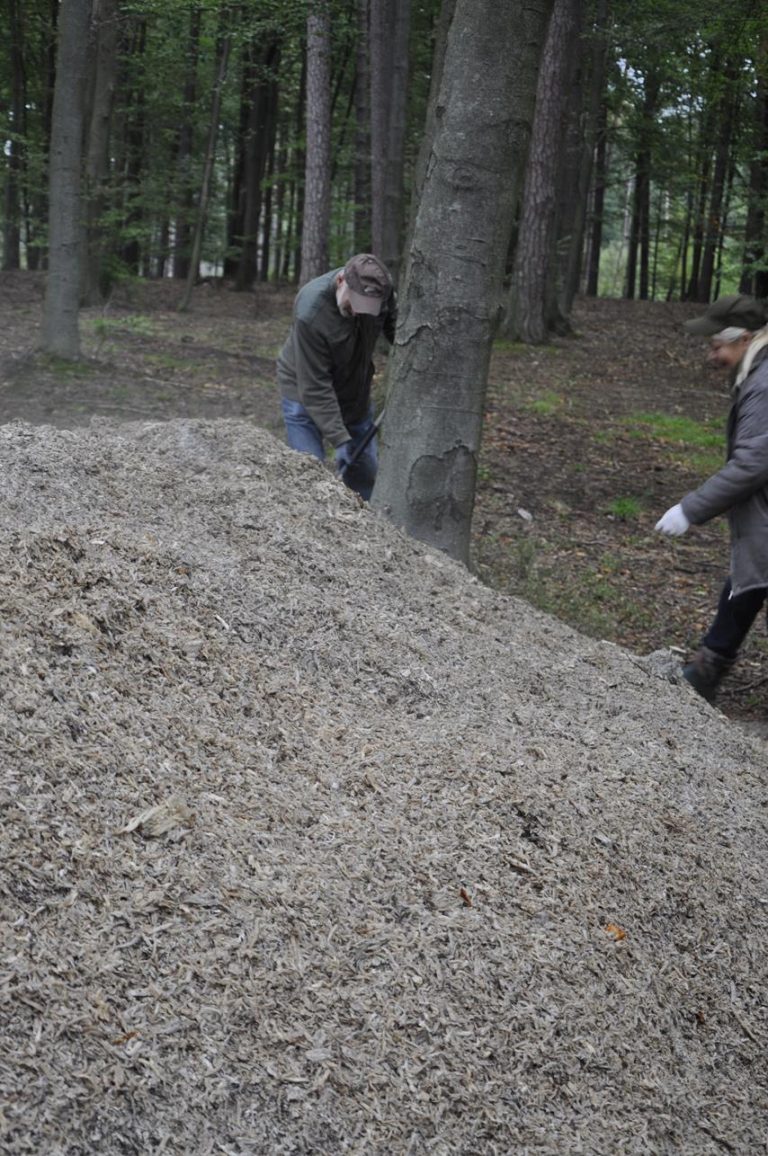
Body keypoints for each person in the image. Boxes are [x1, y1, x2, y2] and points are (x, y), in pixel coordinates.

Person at [655, 293, 768, 701]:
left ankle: (706, 672)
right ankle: (707, 670)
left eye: (716, 345)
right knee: (748, 579)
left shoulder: (764, 383)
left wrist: (690, 509)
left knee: (751, 577)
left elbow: (753, 463)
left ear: (744, 339)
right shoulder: (757, 374)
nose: (712, 354)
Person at [276, 253, 396, 501]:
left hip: (354, 390)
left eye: (366, 309)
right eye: (355, 303)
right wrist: (340, 440)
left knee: (365, 472)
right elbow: (315, 386)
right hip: (303, 390)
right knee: (309, 472)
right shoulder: (311, 312)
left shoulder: (382, 292)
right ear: (341, 280)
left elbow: (396, 328)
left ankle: (364, 527)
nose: (358, 312)